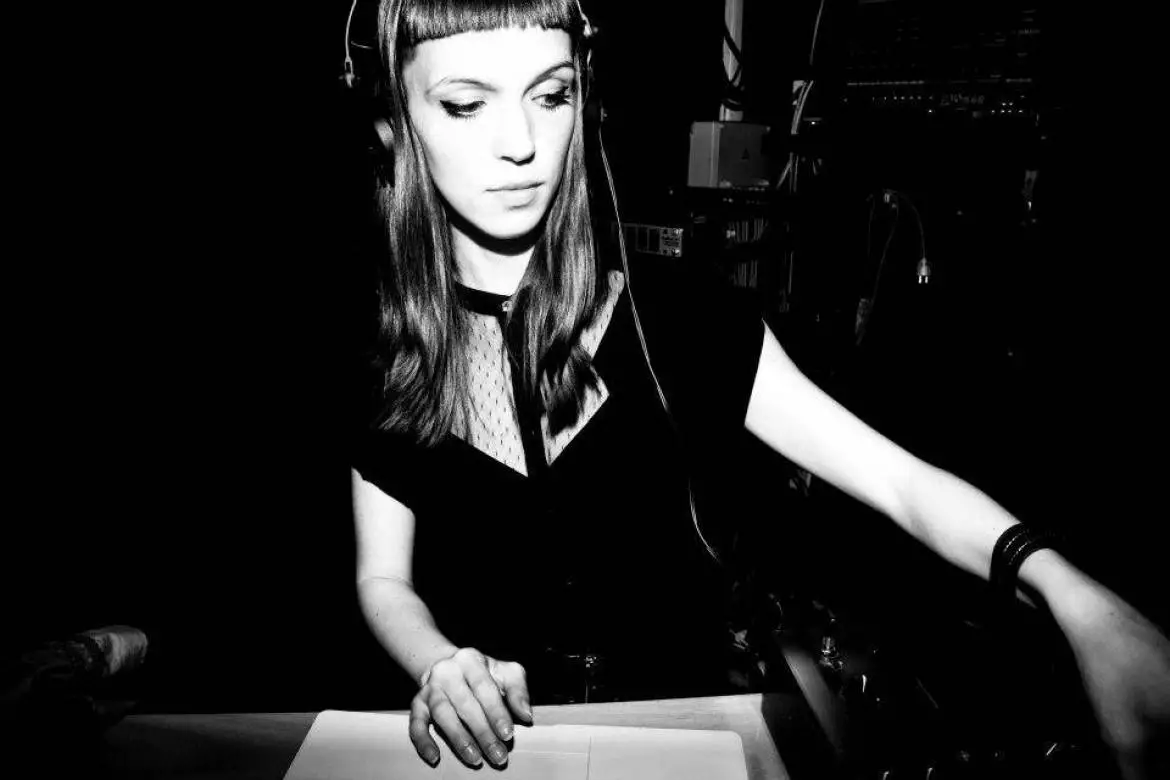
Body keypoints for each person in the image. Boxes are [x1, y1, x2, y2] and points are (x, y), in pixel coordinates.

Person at [347, 0, 1170, 776]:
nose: (522, 142)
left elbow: (898, 482)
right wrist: (440, 663)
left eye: (552, 94)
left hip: (687, 749)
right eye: (466, 104)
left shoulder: (688, 319)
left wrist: (1069, 591)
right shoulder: (383, 348)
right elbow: (383, 579)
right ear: (393, 122)